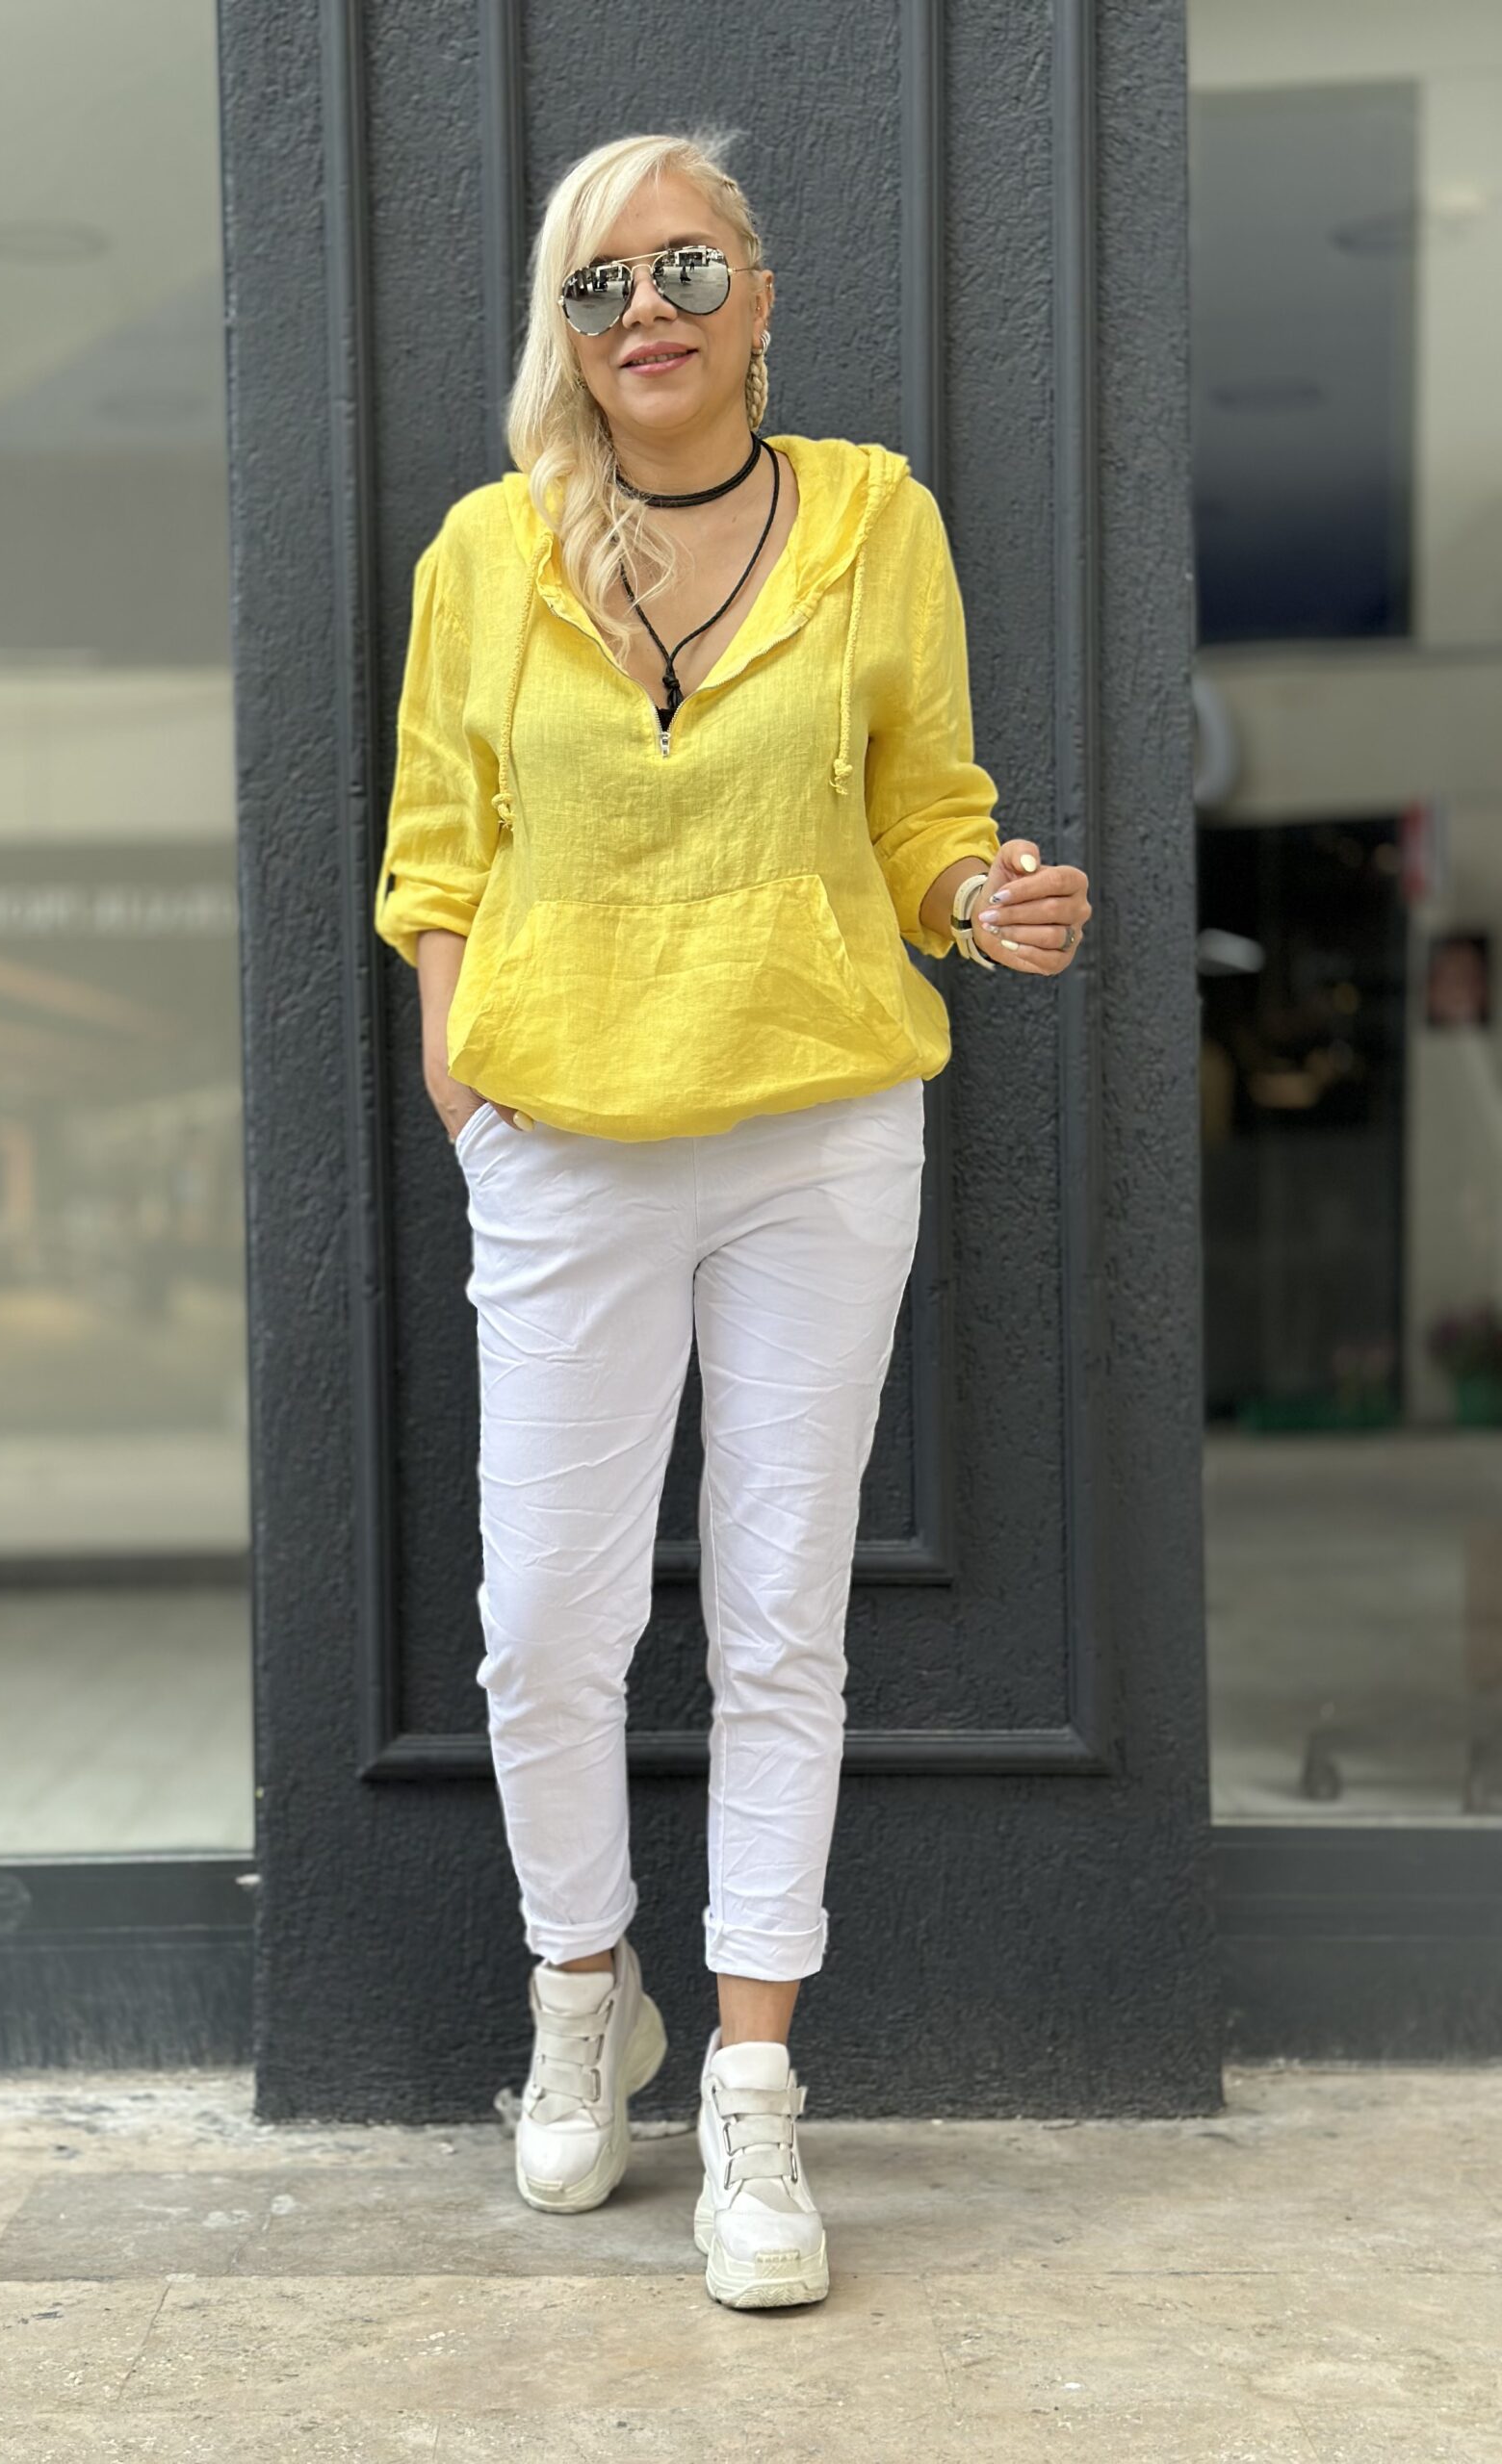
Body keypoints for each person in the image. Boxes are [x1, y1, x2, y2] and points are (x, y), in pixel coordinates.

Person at [373, 126, 1092, 2311]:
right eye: (599, 285)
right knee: (543, 1623)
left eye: (685, 266)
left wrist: (983, 897)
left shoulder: (874, 520)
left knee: (781, 1615)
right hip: (564, 1138)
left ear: (761, 296)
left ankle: (756, 2093)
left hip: (814, 1134)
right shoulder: (487, 551)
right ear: (565, 331)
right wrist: (461, 1064)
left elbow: (925, 809)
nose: (647, 313)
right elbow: (436, 836)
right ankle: (579, 1991)